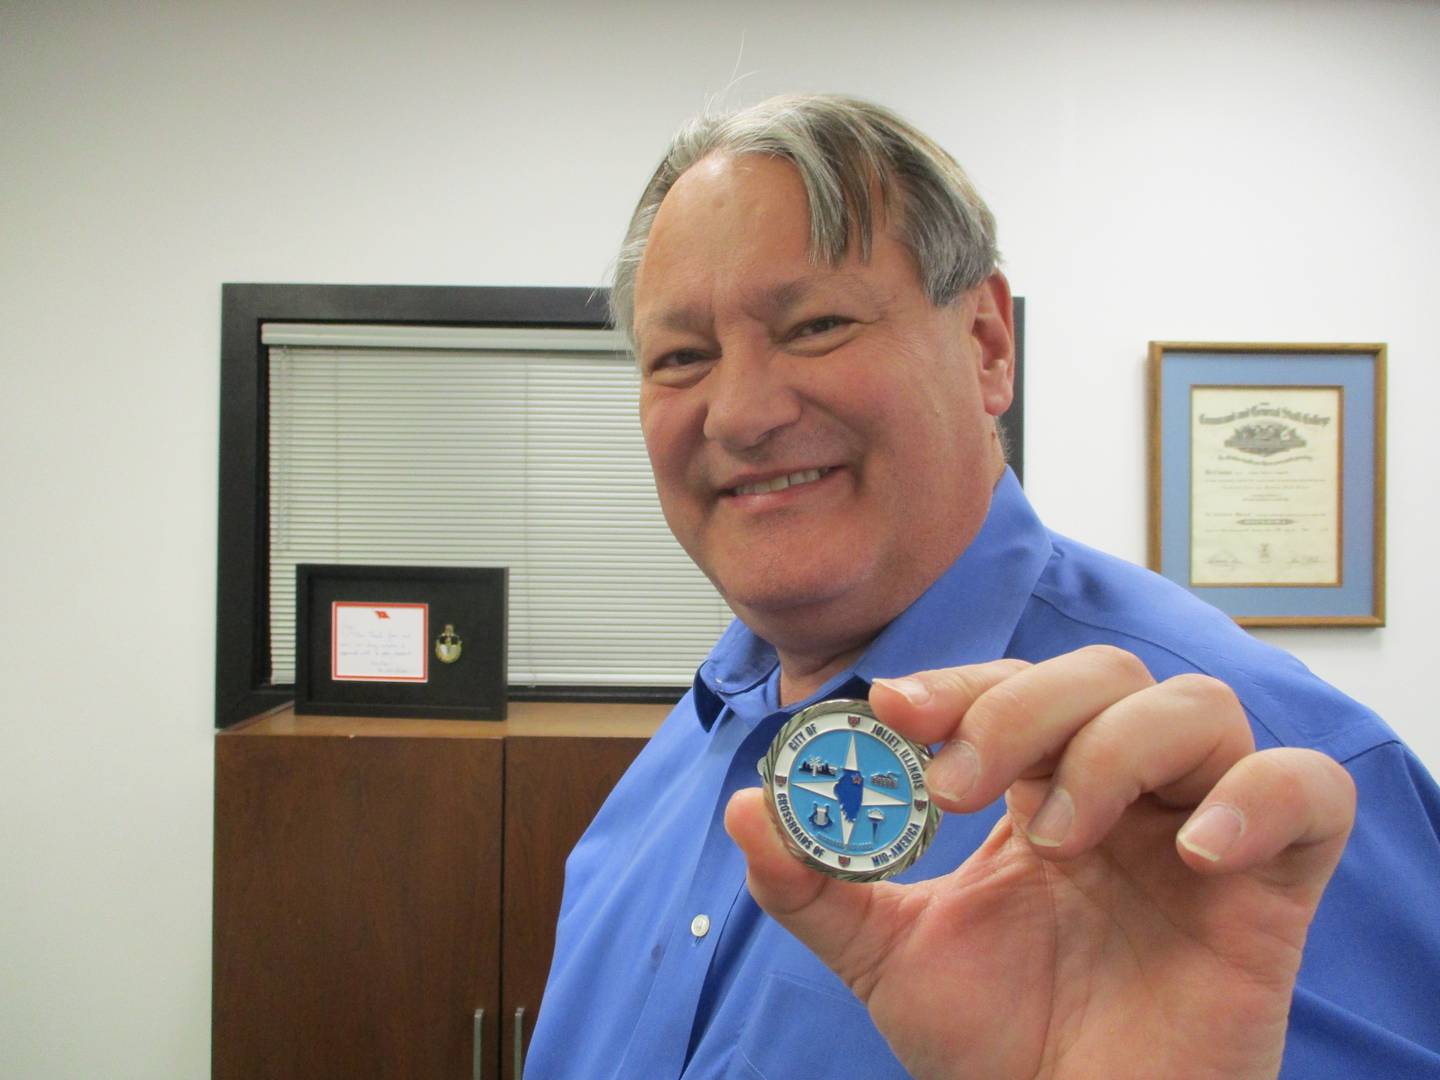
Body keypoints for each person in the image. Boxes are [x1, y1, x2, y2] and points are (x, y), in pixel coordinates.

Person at [525, 95, 1440, 1078]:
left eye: (817, 325)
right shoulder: (675, 761)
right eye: (682, 358)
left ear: (987, 346)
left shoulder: (1242, 788)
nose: (739, 414)